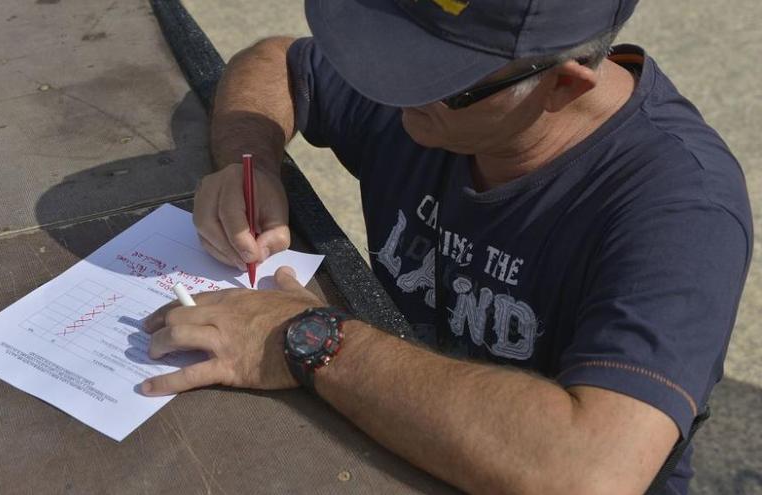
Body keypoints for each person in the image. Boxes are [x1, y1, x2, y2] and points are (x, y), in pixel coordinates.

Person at [140, 1, 752, 493]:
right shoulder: (452, 100)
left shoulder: (682, 209)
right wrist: (251, 162)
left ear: (562, 84)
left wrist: (305, 339)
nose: (392, 88)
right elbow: (278, 63)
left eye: (431, 78)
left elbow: (590, 470)